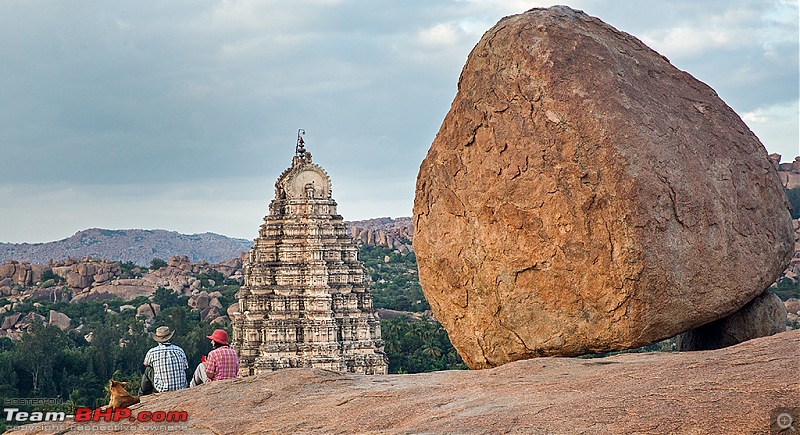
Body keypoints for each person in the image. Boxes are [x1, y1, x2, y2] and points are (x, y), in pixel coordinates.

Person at [139, 326, 188, 395]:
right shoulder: (179, 350)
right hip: (181, 387)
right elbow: (185, 367)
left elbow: (146, 364)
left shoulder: (152, 352)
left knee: (148, 369)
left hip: (163, 389)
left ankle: (142, 394)